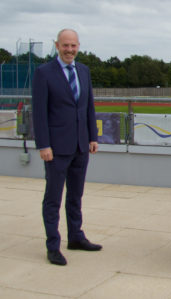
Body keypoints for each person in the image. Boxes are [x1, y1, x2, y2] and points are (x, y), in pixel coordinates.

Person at [32, 29, 102, 266]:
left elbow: (88, 106)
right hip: (56, 148)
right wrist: (43, 144)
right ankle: (53, 245)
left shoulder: (83, 71)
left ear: (78, 46)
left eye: (73, 46)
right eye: (65, 46)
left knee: (76, 196)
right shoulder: (43, 73)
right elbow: (39, 113)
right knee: (53, 198)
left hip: (81, 145)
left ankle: (76, 237)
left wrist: (93, 136)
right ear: (57, 46)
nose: (70, 50)